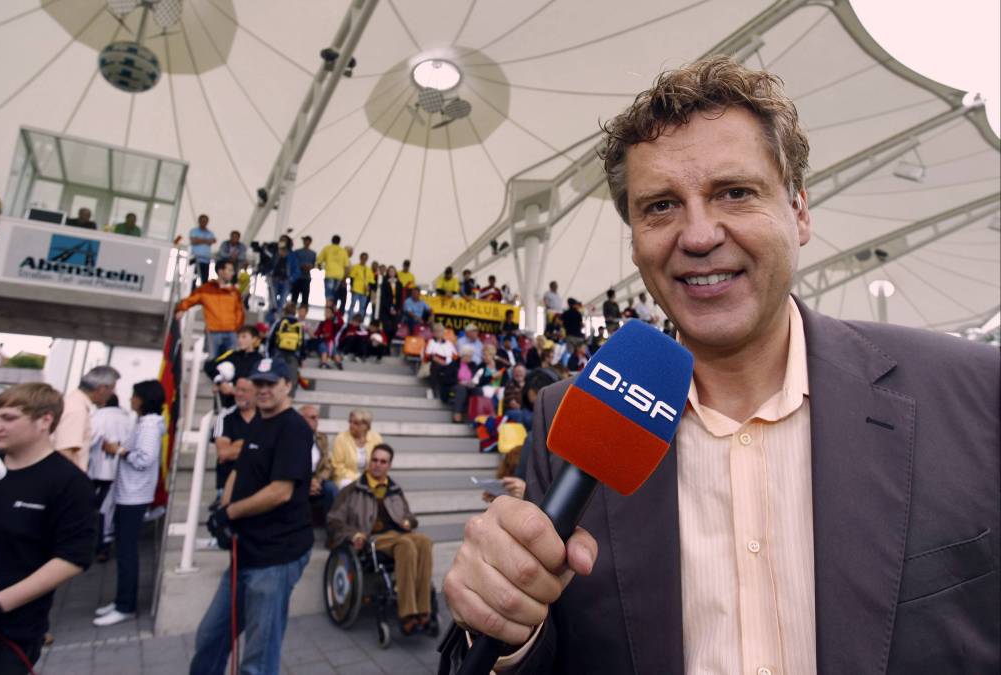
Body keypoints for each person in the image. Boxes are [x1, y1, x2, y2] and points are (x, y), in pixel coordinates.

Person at [440, 56, 1001, 674]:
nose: (700, 235)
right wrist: (504, 630)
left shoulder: (973, 394)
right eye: (660, 207)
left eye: (734, 192)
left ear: (800, 212)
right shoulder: (566, 421)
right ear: (635, 240)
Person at [190, 358, 313, 675]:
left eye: (271, 383)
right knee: (210, 639)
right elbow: (239, 469)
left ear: (287, 385)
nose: (264, 389)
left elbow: (280, 492)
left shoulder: (294, 429)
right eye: (259, 383)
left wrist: (231, 512)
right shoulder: (258, 420)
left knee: (257, 660)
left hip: (275, 557)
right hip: (246, 550)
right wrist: (223, 511)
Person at [0, 383, 96, 673]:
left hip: (8, 632)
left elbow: (72, 558)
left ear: (45, 420)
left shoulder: (68, 482)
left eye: (8, 418)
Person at [327, 443, 434, 635]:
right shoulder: (352, 490)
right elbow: (333, 520)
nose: (377, 464)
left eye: (383, 462)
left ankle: (424, 609)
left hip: (399, 534)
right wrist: (353, 535)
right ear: (369, 462)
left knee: (425, 541)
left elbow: (410, 516)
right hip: (372, 539)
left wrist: (408, 522)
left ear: (389, 465)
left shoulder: (395, 489)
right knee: (406, 544)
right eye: (374, 460)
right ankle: (408, 614)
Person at [93, 380, 165, 627]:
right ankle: (121, 601)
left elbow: (144, 459)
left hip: (135, 494)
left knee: (126, 552)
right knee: (124, 550)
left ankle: (126, 605)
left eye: (135, 395)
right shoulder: (144, 424)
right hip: (130, 492)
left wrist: (119, 450)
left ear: (144, 399)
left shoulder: (149, 427)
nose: (131, 399)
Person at [87, 394, 134, 562]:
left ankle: (97, 545)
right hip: (121, 470)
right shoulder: (127, 418)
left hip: (98, 471)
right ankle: (103, 545)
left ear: (103, 401)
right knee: (108, 508)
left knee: (96, 509)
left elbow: (88, 439)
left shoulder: (99, 417)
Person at [54, 365, 120, 471]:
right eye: (112, 389)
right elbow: (65, 452)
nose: (113, 393)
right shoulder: (77, 410)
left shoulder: (75, 404)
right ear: (102, 389)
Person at [175, 259, 245, 359]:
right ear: (220, 271)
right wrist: (181, 309)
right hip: (213, 332)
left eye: (232, 271)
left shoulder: (235, 292)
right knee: (212, 361)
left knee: (232, 362)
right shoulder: (206, 289)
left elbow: (240, 311)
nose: (232, 273)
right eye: (229, 270)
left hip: (231, 332)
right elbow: (190, 300)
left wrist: (236, 327)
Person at [211, 378, 257, 509]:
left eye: (244, 390)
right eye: (237, 389)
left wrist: (238, 444)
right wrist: (256, 444)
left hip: (259, 484)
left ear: (256, 393)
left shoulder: (267, 416)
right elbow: (224, 454)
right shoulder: (224, 417)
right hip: (228, 488)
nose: (239, 394)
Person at [204, 324, 263, 409]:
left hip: (249, 406)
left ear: (254, 339)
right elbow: (209, 365)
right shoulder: (232, 355)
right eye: (238, 337)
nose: (240, 340)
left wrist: (234, 390)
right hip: (228, 405)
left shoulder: (261, 360)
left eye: (244, 337)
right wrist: (220, 382)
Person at [298, 404, 335, 525]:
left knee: (331, 488)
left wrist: (318, 481)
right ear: (302, 419)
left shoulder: (321, 438)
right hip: (298, 478)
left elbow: (327, 465)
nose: (317, 421)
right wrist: (307, 481)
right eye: (313, 417)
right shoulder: (292, 437)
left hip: (317, 477)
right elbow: (291, 464)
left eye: (317, 417)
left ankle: (333, 531)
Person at [330, 408, 383, 489]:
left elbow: (380, 460)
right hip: (346, 478)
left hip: (370, 477)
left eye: (355, 423)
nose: (351, 425)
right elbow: (337, 466)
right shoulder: (341, 438)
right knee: (353, 488)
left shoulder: (376, 438)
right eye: (350, 422)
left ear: (366, 426)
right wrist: (358, 478)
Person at [267, 302, 304, 393]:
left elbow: (270, 338)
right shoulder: (298, 325)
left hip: (278, 352)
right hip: (293, 354)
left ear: (284, 311)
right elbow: (302, 342)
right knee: (291, 377)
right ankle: (290, 396)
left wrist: (269, 353)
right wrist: (301, 358)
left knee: (276, 375)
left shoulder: (280, 322)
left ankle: (275, 394)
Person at [266, 239, 301, 325]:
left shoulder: (292, 256)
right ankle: (270, 321)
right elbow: (269, 265)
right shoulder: (276, 254)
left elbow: (297, 271)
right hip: (275, 280)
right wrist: (269, 274)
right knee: (272, 302)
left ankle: (277, 322)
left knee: (281, 302)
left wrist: (291, 279)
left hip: (285, 282)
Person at [424, 322, 458, 400]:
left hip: (447, 364)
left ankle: (450, 391)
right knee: (435, 365)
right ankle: (431, 390)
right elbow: (427, 355)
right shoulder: (430, 342)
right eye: (437, 331)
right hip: (434, 362)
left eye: (441, 331)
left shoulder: (449, 343)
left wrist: (447, 362)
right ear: (433, 333)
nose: (439, 333)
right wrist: (438, 360)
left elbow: (455, 356)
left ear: (443, 332)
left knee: (453, 366)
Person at [316, 234, 350, 306]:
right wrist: (344, 278)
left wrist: (320, 269)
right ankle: (331, 312)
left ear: (332, 240)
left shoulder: (327, 248)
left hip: (329, 274)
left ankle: (328, 310)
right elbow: (347, 266)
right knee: (334, 296)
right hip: (339, 276)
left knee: (329, 295)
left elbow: (319, 261)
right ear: (339, 242)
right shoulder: (343, 251)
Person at [312, 303, 344, 370]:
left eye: (328, 312)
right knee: (323, 349)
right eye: (325, 312)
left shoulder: (334, 324)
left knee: (334, 351)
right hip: (323, 341)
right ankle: (323, 363)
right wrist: (320, 335)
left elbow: (341, 323)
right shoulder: (322, 323)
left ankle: (339, 363)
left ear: (332, 314)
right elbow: (317, 333)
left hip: (331, 343)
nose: (326, 313)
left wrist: (337, 312)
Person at [189, 214, 216, 286]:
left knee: (204, 281)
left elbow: (213, 241)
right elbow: (193, 241)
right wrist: (206, 241)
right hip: (194, 259)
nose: (204, 222)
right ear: (199, 221)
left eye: (205, 221)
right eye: (202, 220)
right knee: (192, 280)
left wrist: (199, 239)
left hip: (206, 260)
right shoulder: (194, 231)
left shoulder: (210, 233)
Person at [379, 265, 405, 338]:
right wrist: (389, 308)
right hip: (386, 308)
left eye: (393, 271)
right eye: (390, 271)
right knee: (386, 327)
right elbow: (383, 298)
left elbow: (400, 298)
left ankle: (390, 342)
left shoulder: (399, 284)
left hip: (395, 308)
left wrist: (396, 309)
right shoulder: (384, 283)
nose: (391, 273)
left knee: (394, 327)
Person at [291, 235, 317, 308]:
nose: (306, 242)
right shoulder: (297, 252)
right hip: (297, 277)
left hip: (306, 278)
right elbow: (294, 263)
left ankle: (303, 312)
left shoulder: (313, 253)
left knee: (305, 297)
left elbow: (314, 264)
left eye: (308, 241)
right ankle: (292, 311)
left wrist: (309, 267)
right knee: (294, 297)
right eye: (305, 241)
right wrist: (302, 266)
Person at [347, 251, 374, 319]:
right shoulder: (355, 267)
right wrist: (351, 287)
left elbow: (371, 280)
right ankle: (350, 320)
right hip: (356, 289)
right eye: (363, 258)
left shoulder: (368, 269)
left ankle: (359, 321)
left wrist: (369, 287)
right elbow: (352, 278)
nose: (364, 260)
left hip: (364, 291)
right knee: (352, 305)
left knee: (362, 307)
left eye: (365, 258)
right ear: (360, 258)